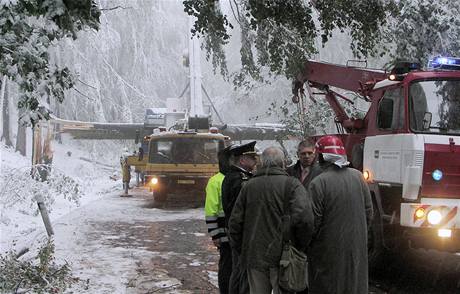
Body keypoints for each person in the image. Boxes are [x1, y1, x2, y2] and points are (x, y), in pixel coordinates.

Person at [228, 147, 314, 294]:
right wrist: (299, 247)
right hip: (284, 257)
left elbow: (235, 223)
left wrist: (242, 250)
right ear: (282, 163)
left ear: (262, 163)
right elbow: (305, 220)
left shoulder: (249, 186)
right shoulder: (292, 185)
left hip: (254, 256)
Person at [307, 135, 373, 294]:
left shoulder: (319, 183)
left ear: (322, 157)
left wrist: (308, 245)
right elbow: (368, 213)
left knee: (327, 285)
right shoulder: (358, 177)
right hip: (356, 248)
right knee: (354, 284)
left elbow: (312, 223)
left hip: (327, 251)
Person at [222, 141, 258, 294]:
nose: (255, 161)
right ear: (242, 160)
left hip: (237, 231)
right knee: (241, 272)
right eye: (252, 158)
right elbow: (241, 210)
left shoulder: (234, 176)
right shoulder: (238, 180)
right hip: (242, 232)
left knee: (238, 271)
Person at [204, 145, 233, 294]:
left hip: (230, 233)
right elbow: (210, 211)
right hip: (224, 234)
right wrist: (215, 234)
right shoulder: (216, 181)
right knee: (227, 267)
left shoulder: (228, 178)